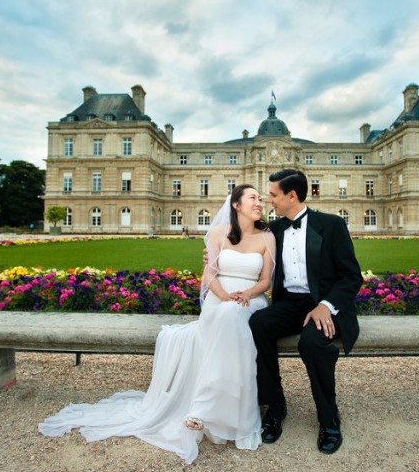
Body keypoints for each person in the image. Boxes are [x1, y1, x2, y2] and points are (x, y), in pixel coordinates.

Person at [38, 184, 276, 465]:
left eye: (260, 198)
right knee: (226, 316)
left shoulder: (266, 236)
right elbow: (209, 275)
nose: (259, 202)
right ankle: (223, 412)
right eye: (253, 198)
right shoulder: (217, 234)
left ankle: (202, 407)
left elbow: (265, 280)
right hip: (220, 300)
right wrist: (225, 298)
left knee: (231, 318)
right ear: (236, 205)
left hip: (251, 301)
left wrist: (244, 296)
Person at [249, 169, 362, 455]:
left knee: (311, 342)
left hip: (325, 303)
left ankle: (328, 417)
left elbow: (351, 276)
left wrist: (325, 306)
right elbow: (241, 239)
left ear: (292, 195)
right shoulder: (273, 230)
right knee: (259, 323)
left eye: (273, 195)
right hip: (291, 303)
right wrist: (213, 255)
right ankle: (275, 405)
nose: (269, 200)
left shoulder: (331, 225)